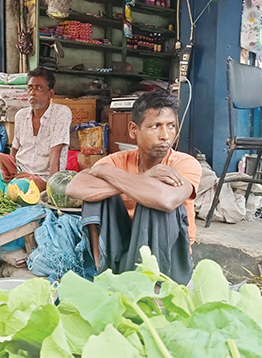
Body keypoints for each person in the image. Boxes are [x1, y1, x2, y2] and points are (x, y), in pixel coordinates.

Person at [66, 91, 202, 284]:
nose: (165, 136)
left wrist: (111, 175)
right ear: (133, 130)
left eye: (171, 126)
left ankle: (154, 290)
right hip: (123, 252)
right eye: (155, 126)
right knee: (95, 196)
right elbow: (75, 187)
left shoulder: (185, 163)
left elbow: (167, 200)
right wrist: (142, 178)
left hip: (168, 262)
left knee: (154, 200)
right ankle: (103, 275)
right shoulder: (117, 161)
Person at [0, 67, 72, 193]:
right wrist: (11, 169)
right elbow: (14, 149)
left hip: (42, 178)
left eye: (39, 88)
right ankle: (4, 193)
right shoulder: (20, 115)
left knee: (20, 186)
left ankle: (3, 192)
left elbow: (55, 154)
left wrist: (53, 191)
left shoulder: (61, 113)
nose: (32, 92)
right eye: (30, 87)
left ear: (50, 94)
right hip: (20, 170)